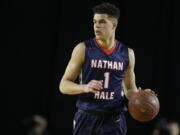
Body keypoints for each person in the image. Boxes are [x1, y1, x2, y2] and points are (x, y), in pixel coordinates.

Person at [60, 2, 154, 135]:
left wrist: (141, 96)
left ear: (114, 25)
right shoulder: (83, 49)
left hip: (114, 120)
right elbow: (63, 85)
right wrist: (84, 87)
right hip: (87, 117)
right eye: (94, 21)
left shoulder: (127, 53)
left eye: (102, 22)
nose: (96, 25)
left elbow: (129, 90)